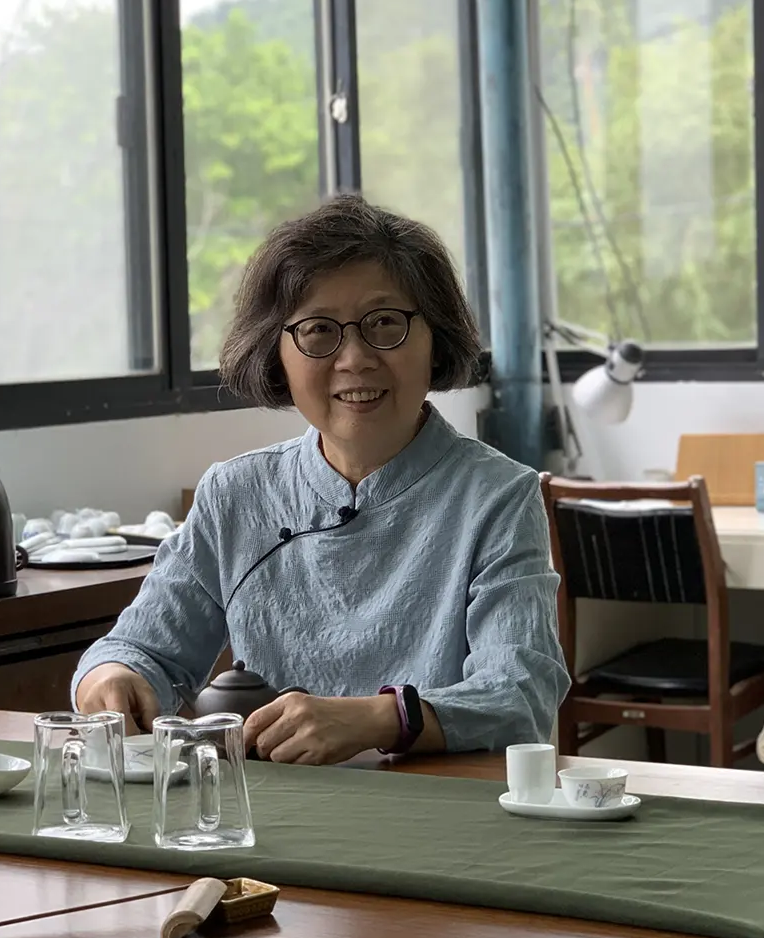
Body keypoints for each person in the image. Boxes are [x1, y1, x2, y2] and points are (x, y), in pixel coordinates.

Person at [72, 194, 567, 764]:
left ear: (436, 339)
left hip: (441, 820)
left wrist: (376, 719)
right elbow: (140, 648)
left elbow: (519, 694)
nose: (354, 358)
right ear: (276, 352)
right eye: (318, 331)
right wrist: (111, 676)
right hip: (267, 823)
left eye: (385, 323)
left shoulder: (499, 496)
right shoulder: (234, 495)